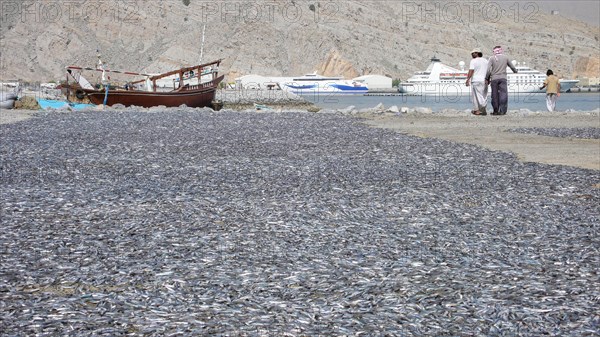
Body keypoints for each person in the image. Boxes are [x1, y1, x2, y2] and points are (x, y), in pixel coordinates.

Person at [485, 46, 517, 115]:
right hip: (503, 78)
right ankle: (502, 111)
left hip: (494, 79)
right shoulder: (505, 57)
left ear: (494, 51)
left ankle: (495, 111)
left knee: (494, 95)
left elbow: (488, 70)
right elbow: (512, 66)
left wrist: (486, 78)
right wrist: (515, 71)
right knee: (503, 95)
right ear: (501, 51)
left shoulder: (492, 58)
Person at [465, 48, 489, 115]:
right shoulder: (486, 61)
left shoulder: (473, 61)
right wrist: (488, 79)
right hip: (484, 80)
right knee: (484, 95)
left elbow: (471, 70)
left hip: (476, 80)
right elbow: (488, 71)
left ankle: (480, 108)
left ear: (477, 53)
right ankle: (480, 111)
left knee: (476, 96)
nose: (471, 54)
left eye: (473, 53)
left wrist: (467, 79)